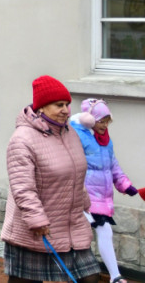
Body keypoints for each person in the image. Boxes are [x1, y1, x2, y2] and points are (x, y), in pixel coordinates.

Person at [1, 75, 102, 283]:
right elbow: (22, 187)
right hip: (35, 228)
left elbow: (75, 174)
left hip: (71, 225)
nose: (66, 110)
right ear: (42, 108)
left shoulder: (70, 133)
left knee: (90, 277)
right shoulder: (22, 139)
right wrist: (36, 219)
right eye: (59, 105)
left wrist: (86, 206)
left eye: (67, 104)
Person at [71, 98, 138, 283]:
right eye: (101, 121)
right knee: (81, 237)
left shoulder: (105, 141)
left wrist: (125, 184)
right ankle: (78, 274)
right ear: (89, 120)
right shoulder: (76, 135)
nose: (105, 125)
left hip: (100, 198)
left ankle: (114, 276)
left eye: (108, 121)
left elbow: (113, 165)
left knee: (105, 231)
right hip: (82, 197)